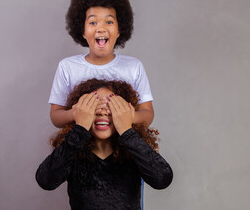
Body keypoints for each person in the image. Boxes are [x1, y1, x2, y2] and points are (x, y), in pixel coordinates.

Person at [36, 79, 173, 209]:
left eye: (111, 107)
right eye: (94, 107)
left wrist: (126, 130)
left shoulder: (133, 151)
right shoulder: (73, 152)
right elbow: (46, 180)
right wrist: (80, 129)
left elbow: (162, 179)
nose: (102, 112)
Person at [49, 0, 154, 129]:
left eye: (109, 21)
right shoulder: (68, 67)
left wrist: (132, 116)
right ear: (83, 31)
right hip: (80, 146)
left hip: (123, 147)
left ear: (119, 30)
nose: (101, 28)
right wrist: (75, 113)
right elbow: (55, 117)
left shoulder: (133, 66)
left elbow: (148, 113)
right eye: (93, 22)